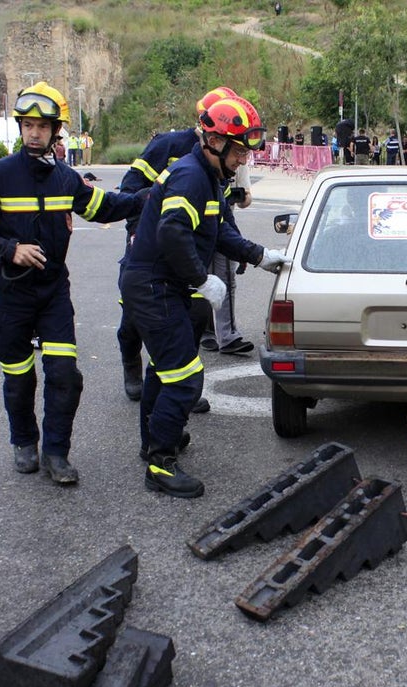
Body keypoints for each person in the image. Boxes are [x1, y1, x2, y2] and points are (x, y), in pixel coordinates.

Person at [0, 81, 146, 484]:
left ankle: (56, 453)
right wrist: (9, 249)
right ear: (20, 128)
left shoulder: (64, 178)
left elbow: (104, 206)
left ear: (56, 131)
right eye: (28, 126)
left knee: (65, 375)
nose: (34, 133)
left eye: (42, 126)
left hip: (53, 291)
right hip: (10, 292)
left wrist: (151, 196)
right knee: (19, 377)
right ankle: (24, 442)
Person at [121, 95, 289, 499]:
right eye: (239, 150)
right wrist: (201, 279)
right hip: (155, 286)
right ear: (215, 142)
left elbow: (220, 231)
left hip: (160, 283)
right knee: (185, 377)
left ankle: (154, 441)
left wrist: (260, 255)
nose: (244, 159)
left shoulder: (209, 176)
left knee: (163, 369)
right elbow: (172, 231)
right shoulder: (191, 177)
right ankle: (160, 464)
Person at [115, 86, 238, 403]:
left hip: (191, 252)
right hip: (151, 245)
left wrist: (237, 246)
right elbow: (130, 188)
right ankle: (132, 365)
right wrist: (137, 228)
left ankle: (181, 381)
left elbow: (221, 209)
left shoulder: (221, 160)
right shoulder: (168, 145)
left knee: (193, 316)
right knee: (133, 317)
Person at [200, 159, 256, 355]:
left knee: (227, 280)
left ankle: (228, 336)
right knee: (200, 279)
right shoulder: (198, 165)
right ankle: (205, 331)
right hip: (199, 228)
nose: (241, 158)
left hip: (223, 225)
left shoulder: (239, 162)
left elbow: (246, 199)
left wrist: (240, 197)